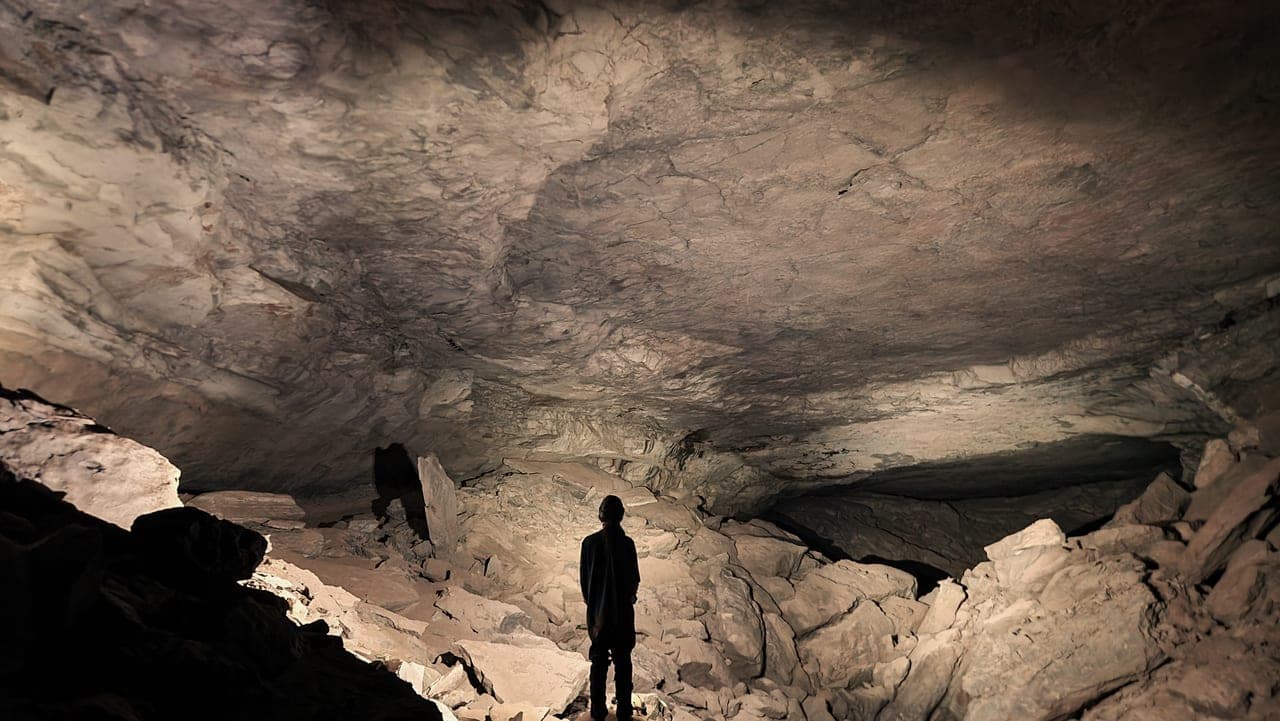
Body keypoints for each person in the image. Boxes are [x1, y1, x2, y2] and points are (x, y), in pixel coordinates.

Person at [580, 495, 641, 721]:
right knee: (623, 663)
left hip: (598, 616)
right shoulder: (627, 544)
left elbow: (584, 583)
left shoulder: (589, 543)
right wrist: (627, 599)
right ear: (621, 516)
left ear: (601, 515)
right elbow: (634, 580)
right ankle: (624, 710)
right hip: (622, 616)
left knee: (598, 663)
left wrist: (594, 604)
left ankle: (598, 710)